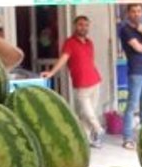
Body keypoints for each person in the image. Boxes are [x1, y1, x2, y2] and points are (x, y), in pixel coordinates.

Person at [41, 15, 105, 147]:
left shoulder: (89, 43)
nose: (83, 27)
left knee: (85, 114)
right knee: (89, 113)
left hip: (95, 81)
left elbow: (89, 61)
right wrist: (52, 72)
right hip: (81, 84)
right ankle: (99, 129)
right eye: (80, 24)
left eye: (86, 25)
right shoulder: (69, 42)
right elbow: (63, 59)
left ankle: (87, 140)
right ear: (75, 26)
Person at [118, 3, 142, 150]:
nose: (136, 14)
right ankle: (127, 138)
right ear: (128, 13)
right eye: (133, 11)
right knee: (132, 106)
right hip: (136, 71)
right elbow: (138, 48)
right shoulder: (125, 30)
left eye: (139, 11)